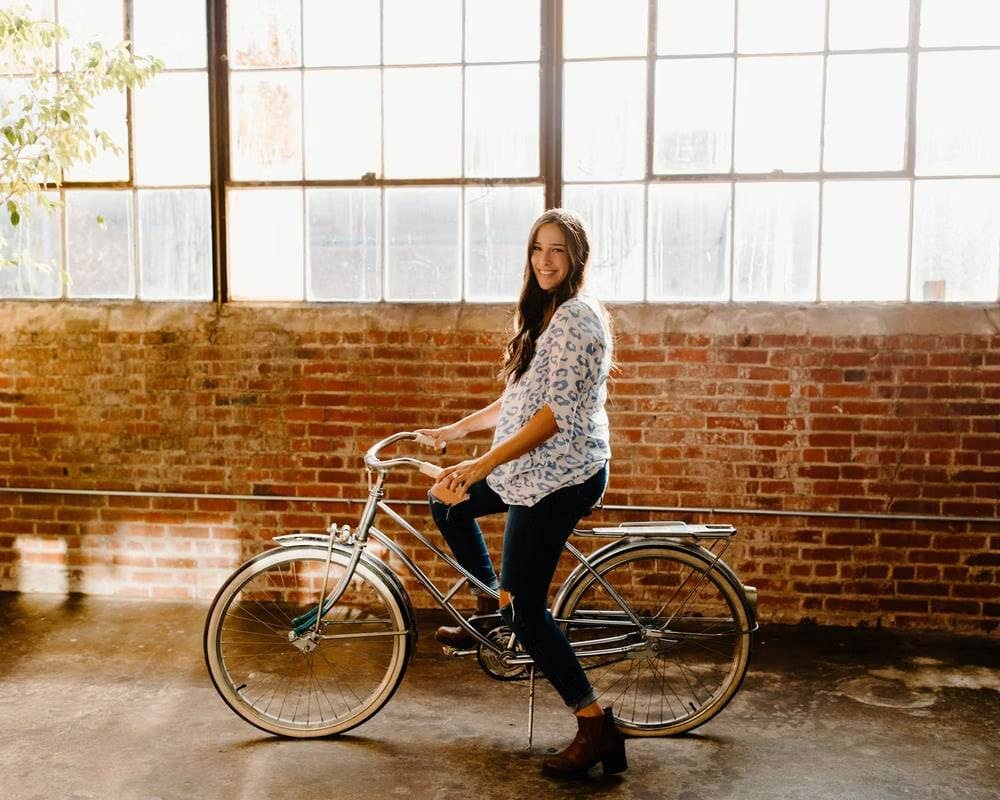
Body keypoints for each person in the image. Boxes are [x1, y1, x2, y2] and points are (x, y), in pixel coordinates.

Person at [415, 208, 626, 777]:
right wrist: (454, 432)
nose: (545, 260)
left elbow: (553, 417)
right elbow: (518, 404)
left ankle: (594, 725)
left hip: (561, 475)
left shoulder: (579, 320)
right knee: (445, 499)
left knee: (529, 610)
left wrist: (481, 464)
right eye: (537, 248)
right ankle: (490, 606)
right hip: (529, 468)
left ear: (576, 257)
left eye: (557, 250)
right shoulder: (544, 316)